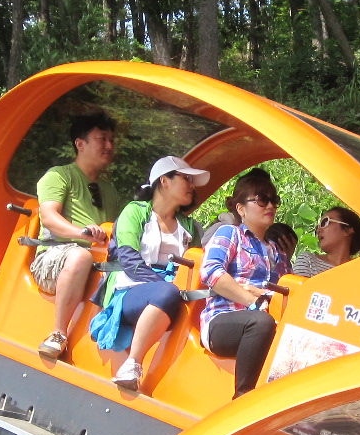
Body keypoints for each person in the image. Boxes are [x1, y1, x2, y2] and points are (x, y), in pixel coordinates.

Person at [95, 156, 210, 391]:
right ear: (164, 181)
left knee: (178, 295)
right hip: (129, 291)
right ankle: (133, 364)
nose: (192, 185)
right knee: (167, 291)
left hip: (172, 293)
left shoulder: (190, 228)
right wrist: (164, 285)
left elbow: (197, 266)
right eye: (186, 178)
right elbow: (128, 258)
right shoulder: (135, 212)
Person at [33, 110, 122, 360]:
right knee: (80, 256)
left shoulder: (110, 191)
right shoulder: (59, 176)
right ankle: (58, 334)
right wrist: (83, 235)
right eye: (101, 139)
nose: (109, 145)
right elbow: (49, 217)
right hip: (53, 259)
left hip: (98, 265)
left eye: (111, 140)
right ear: (80, 144)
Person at [201, 170, 291, 397]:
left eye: (273, 200)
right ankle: (243, 398)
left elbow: (288, 294)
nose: (270, 205)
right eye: (261, 199)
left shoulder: (278, 251)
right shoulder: (230, 234)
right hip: (222, 321)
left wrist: (262, 294)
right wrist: (254, 301)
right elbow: (211, 272)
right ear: (240, 209)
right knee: (260, 322)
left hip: (266, 323)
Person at [291, 206, 360, 277]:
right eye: (317, 227)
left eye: (325, 222)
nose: (318, 230)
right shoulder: (308, 260)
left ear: (347, 231)